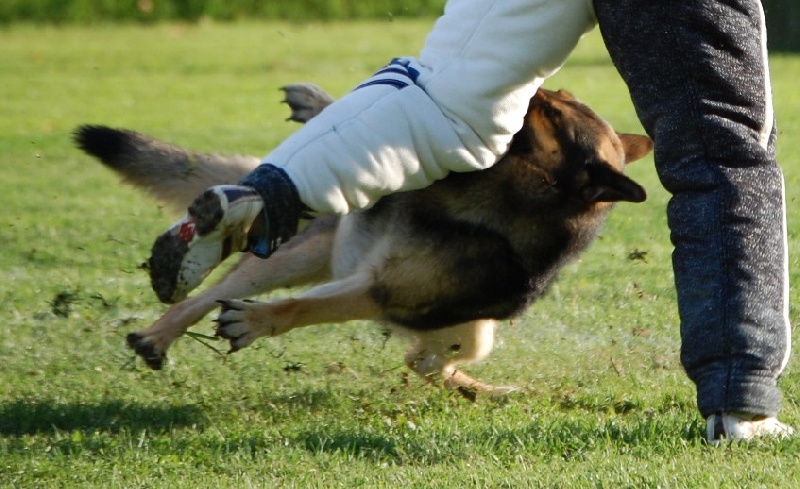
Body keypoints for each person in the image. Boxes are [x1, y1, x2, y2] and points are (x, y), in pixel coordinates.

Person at [148, 0, 793, 442]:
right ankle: (738, 402)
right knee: (723, 153)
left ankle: (268, 192)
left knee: (449, 90)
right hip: (396, 250)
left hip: (397, 236)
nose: (546, 99)